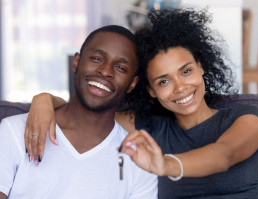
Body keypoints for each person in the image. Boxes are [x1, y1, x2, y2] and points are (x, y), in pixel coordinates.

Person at [24, 9, 258, 199]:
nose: (180, 87)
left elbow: (224, 155)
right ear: (150, 90)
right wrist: (44, 100)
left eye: (186, 71)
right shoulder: (149, 127)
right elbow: (84, 114)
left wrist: (165, 164)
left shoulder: (246, 118)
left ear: (201, 66)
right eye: (164, 81)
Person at [0, 25, 158, 199]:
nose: (105, 71)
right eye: (97, 58)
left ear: (133, 83)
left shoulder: (139, 161)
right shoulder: (14, 131)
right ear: (76, 62)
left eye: (120, 68)